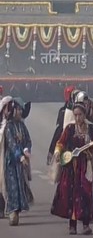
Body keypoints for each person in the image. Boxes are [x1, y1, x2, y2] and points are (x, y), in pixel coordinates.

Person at [51, 102, 93, 235]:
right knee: (71, 195)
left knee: (86, 194)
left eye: (80, 115)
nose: (78, 118)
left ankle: (86, 224)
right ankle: (72, 225)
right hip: (71, 168)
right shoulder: (70, 129)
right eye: (76, 115)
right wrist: (57, 152)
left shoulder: (91, 129)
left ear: (84, 115)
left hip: (85, 167)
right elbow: (60, 142)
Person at [0, 97, 32, 226]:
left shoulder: (22, 125)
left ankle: (17, 210)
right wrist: (20, 156)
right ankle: (12, 212)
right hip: (11, 162)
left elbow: (28, 140)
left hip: (21, 163)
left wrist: (26, 149)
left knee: (20, 186)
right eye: (18, 109)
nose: (20, 112)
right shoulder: (8, 127)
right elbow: (12, 145)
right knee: (12, 187)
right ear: (13, 110)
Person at [47, 86, 76, 165]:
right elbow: (59, 131)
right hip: (66, 146)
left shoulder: (84, 109)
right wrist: (52, 150)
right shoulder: (64, 111)